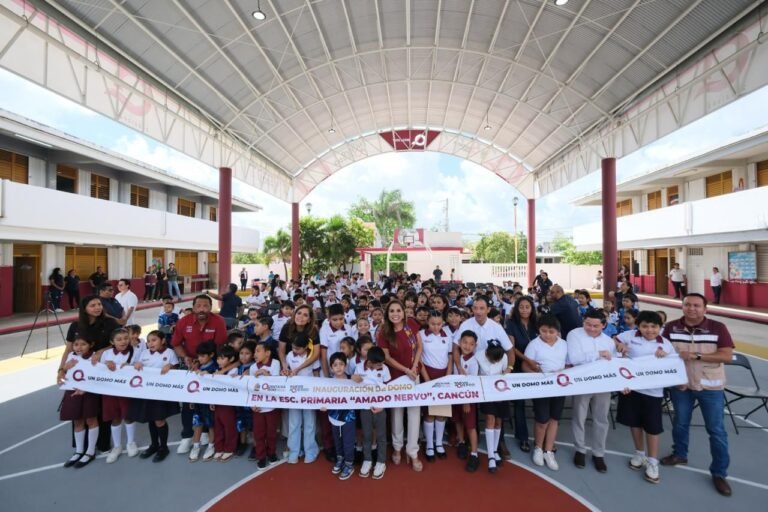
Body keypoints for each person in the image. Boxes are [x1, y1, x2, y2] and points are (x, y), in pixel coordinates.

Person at [661, 293, 735, 497]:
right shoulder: (671, 327)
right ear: (682, 306)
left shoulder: (718, 327)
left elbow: (727, 356)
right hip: (682, 385)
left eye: (696, 305)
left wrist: (697, 356)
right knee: (680, 423)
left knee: (716, 430)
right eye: (687, 305)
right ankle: (679, 454)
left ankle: (719, 473)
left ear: (705, 308)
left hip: (711, 387)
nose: (691, 309)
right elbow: (663, 352)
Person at [615, 311, 676, 484]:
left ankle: (652, 461)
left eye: (654, 326)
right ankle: (639, 453)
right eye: (645, 326)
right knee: (634, 423)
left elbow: (673, 365)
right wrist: (620, 345)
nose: (649, 330)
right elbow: (615, 340)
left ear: (660, 327)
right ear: (638, 326)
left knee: (653, 427)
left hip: (653, 392)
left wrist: (665, 356)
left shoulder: (666, 344)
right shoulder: (629, 335)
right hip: (631, 390)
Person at [59, 295, 121, 453]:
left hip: (102, 372)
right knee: (80, 412)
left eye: (99, 304)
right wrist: (61, 370)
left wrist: (101, 351)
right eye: (92, 305)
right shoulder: (75, 326)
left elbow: (120, 342)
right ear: (84, 308)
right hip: (80, 376)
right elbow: (68, 350)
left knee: (100, 409)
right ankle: (81, 448)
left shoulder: (110, 323)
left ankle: (102, 444)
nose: (97, 307)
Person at [171, 294, 228, 455]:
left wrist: (205, 363)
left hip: (211, 365)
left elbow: (220, 347)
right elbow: (176, 344)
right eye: (199, 306)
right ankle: (186, 436)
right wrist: (186, 358)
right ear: (193, 307)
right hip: (190, 366)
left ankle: (205, 432)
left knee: (208, 402)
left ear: (210, 307)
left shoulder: (218, 321)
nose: (202, 309)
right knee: (188, 401)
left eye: (205, 306)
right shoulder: (184, 322)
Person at [567, 309, 616, 473]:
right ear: (583, 322)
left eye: (596, 326)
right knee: (579, 416)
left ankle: (598, 453)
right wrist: (598, 354)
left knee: (601, 419)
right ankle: (580, 449)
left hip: (603, 383)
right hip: (582, 382)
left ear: (603, 325)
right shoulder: (574, 334)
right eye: (588, 324)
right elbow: (574, 358)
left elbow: (613, 363)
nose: (591, 328)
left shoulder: (609, 341)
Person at [377, 299, 423, 472]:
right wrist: (405, 370)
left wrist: (414, 367)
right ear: (387, 314)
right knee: (397, 414)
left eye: (398, 310)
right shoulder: (383, 332)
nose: (395, 314)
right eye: (391, 311)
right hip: (395, 377)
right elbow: (387, 358)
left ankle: (413, 451)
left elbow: (419, 347)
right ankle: (397, 447)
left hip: (413, 375)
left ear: (404, 312)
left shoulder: (411, 324)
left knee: (414, 413)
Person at [524, 315, 568, 471]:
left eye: (551, 332)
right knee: (542, 420)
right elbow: (525, 366)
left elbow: (569, 364)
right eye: (543, 331)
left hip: (559, 387)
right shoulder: (533, 345)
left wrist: (563, 372)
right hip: (542, 388)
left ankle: (548, 451)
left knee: (554, 419)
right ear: (539, 330)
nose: (547, 335)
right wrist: (538, 375)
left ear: (558, 332)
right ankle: (538, 447)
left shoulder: (564, 344)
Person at [131, 330, 179, 462]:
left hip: (161, 391)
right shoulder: (144, 353)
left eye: (154, 340)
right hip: (147, 391)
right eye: (148, 341)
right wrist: (137, 364)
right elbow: (137, 365)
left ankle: (163, 447)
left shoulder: (169, 352)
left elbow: (176, 367)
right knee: (151, 419)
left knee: (159, 419)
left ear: (162, 340)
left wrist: (170, 366)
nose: (150, 343)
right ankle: (154, 445)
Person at [57, 336, 100, 468]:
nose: (79, 347)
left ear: (90, 345)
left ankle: (90, 451)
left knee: (91, 420)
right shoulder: (71, 356)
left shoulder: (95, 357)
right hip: (73, 392)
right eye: (76, 344)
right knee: (77, 421)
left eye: (83, 344)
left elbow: (99, 376)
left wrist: (86, 388)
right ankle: (79, 451)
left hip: (89, 392)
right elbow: (64, 374)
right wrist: (64, 369)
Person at [100, 328, 139, 464]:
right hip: (110, 391)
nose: (123, 341)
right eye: (119, 339)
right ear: (112, 342)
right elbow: (98, 370)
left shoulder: (135, 352)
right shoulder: (106, 354)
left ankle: (131, 442)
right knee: (115, 417)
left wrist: (133, 366)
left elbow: (140, 367)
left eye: (125, 338)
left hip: (127, 390)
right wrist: (106, 364)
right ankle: (117, 446)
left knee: (128, 416)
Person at [419, 310, 453, 462]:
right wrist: (427, 379)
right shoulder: (421, 335)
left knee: (441, 412)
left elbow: (450, 357)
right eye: (433, 324)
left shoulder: (447, 336)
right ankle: (429, 445)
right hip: (428, 375)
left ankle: (439, 443)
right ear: (428, 322)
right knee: (429, 413)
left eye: (439, 324)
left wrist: (448, 376)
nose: (436, 327)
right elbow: (419, 358)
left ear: (443, 323)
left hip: (443, 376)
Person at [505, 296, 538, 452]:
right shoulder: (511, 324)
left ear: (532, 308)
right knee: (519, 403)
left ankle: (541, 438)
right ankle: (522, 437)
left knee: (540, 403)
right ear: (517, 309)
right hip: (518, 366)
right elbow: (512, 348)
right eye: (521, 307)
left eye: (527, 307)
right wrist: (527, 360)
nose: (524, 309)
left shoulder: (537, 323)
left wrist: (534, 363)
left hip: (537, 367)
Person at [352, 346, 390, 479]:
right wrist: (353, 378)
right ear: (370, 361)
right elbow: (352, 387)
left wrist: (383, 406)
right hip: (365, 408)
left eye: (382, 363)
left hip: (380, 408)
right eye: (379, 364)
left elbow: (389, 389)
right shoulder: (358, 368)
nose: (381, 365)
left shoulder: (385, 369)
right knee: (367, 435)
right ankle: (367, 460)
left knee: (381, 436)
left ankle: (381, 462)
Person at [285, 332, 320, 464]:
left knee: (309, 423)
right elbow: (286, 370)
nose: (294, 350)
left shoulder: (312, 356)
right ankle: (294, 452)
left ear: (306, 347)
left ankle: (310, 451)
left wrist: (317, 393)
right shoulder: (289, 355)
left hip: (309, 394)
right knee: (294, 423)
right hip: (294, 394)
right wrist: (286, 372)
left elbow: (316, 374)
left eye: (298, 348)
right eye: (293, 347)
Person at [477, 339, 509, 474]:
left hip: (500, 392)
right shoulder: (478, 356)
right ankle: (490, 456)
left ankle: (495, 450)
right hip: (486, 392)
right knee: (490, 419)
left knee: (498, 421)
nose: (495, 362)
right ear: (487, 353)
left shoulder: (504, 356)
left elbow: (505, 371)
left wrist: (509, 369)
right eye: (493, 359)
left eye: (498, 360)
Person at [250, 341, 281, 469]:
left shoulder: (275, 363)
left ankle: (272, 453)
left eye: (258, 351)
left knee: (271, 433)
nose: (255, 354)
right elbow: (251, 388)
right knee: (259, 434)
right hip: (258, 407)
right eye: (255, 351)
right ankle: (261, 456)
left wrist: (265, 373)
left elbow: (275, 384)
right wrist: (252, 404)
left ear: (267, 353)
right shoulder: (253, 367)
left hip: (271, 406)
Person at [327, 352, 357, 480]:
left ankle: (349, 464)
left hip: (349, 417)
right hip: (333, 416)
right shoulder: (327, 382)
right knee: (337, 439)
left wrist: (358, 379)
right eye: (335, 365)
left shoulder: (352, 379)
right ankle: (340, 458)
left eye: (341, 364)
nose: (338, 367)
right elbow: (321, 397)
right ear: (331, 367)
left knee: (348, 441)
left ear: (346, 365)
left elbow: (364, 387)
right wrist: (322, 405)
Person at [188, 341, 218, 462]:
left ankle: (211, 446)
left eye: (203, 356)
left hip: (209, 402)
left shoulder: (215, 368)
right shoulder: (198, 367)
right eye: (198, 356)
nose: (199, 358)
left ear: (211, 355)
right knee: (197, 423)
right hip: (198, 401)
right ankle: (195, 446)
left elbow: (216, 387)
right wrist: (191, 399)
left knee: (211, 425)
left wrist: (213, 401)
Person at [211, 345, 239, 462]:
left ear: (231, 359)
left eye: (222, 358)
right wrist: (212, 400)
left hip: (228, 403)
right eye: (218, 358)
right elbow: (213, 387)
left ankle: (229, 448)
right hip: (218, 402)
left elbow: (229, 383)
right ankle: (219, 448)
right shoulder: (217, 371)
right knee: (218, 426)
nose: (219, 361)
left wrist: (221, 375)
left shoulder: (234, 370)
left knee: (229, 426)